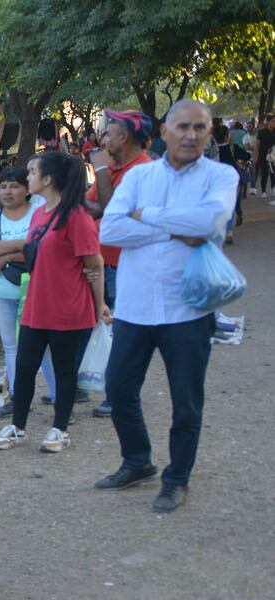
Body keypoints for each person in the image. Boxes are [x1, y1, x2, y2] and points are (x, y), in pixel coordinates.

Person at [96, 98, 239, 513]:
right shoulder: (140, 178)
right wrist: (177, 225)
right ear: (164, 131)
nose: (190, 135)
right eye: (182, 127)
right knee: (118, 389)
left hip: (189, 310)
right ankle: (137, 461)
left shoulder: (221, 175)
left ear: (210, 132)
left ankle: (177, 479)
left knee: (186, 402)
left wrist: (148, 218)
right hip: (135, 308)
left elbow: (210, 223)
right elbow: (111, 227)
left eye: (200, 127)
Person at [0, 152, 110, 454]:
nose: (27, 177)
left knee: (63, 369)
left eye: (32, 172)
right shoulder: (40, 213)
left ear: (47, 179)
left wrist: (100, 305)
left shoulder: (76, 216)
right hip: (35, 305)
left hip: (68, 306)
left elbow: (93, 262)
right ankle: (18, 427)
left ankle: (60, 429)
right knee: (25, 365)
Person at [84, 109, 154, 418]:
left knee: (123, 331)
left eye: (108, 133)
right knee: (99, 325)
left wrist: (99, 172)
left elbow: (111, 210)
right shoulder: (114, 166)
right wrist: (102, 201)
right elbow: (90, 205)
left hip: (126, 266)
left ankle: (120, 393)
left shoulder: (143, 170)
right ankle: (96, 384)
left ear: (124, 137)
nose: (103, 139)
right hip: (104, 261)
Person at [0, 165, 53, 415]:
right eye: (3, 186)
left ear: (27, 190)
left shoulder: (40, 214)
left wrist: (5, 256)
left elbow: (42, 249)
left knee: (47, 345)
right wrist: (21, 247)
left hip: (38, 289)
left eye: (14, 185)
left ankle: (58, 396)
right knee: (11, 345)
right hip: (1, 291)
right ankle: (19, 398)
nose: (7, 191)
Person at [256, 113, 275, 197]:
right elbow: (257, 145)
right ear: (268, 122)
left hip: (274, 156)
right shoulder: (262, 132)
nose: (274, 123)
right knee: (264, 173)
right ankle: (263, 191)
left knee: (273, 173)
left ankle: (273, 189)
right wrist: (255, 157)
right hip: (263, 155)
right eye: (273, 121)